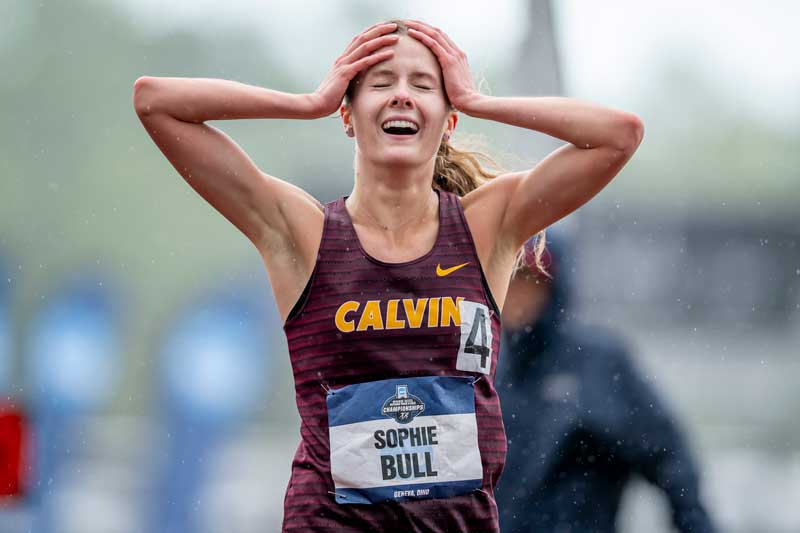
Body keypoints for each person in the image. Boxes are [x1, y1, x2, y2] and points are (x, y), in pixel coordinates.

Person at [133, 18, 643, 533]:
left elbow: (619, 136)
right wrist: (306, 102)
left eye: (422, 85)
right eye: (380, 84)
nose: (401, 96)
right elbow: (155, 101)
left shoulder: (486, 227)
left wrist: (477, 99)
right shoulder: (304, 235)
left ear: (448, 121)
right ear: (349, 116)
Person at [496, 232, 717, 533]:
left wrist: (697, 524)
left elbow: (670, 458)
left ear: (554, 289)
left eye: (530, 281)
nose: (517, 294)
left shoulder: (598, 363)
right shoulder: (488, 368)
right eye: (509, 278)